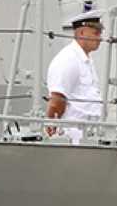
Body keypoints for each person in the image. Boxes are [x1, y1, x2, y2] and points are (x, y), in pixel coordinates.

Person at [45, 12, 105, 143]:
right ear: (82, 33)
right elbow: (56, 100)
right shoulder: (68, 59)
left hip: (86, 134)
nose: (100, 38)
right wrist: (52, 127)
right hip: (71, 135)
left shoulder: (85, 59)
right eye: (96, 33)